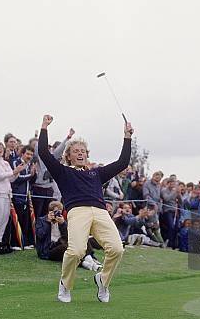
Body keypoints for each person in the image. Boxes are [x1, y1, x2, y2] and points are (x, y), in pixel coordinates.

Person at [39, 114, 132, 303]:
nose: (80, 153)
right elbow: (43, 152)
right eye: (75, 151)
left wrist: (127, 136)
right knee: (76, 251)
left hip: (100, 212)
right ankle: (65, 285)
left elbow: (122, 163)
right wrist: (44, 127)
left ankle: (103, 281)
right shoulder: (63, 171)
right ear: (68, 156)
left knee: (117, 249)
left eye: (83, 150)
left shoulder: (96, 173)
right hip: (77, 211)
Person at [0, 142, 26, 252]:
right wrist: (13, 172)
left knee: (4, 217)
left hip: (6, 193)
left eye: (1, 148)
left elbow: (11, 179)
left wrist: (17, 172)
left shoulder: (5, 163)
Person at [32, 128, 72, 217]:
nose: (48, 148)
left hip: (49, 189)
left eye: (49, 147)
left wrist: (68, 138)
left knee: (48, 213)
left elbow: (60, 149)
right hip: (38, 188)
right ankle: (38, 230)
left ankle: (46, 230)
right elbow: (38, 147)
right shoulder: (37, 156)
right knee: (37, 213)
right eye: (47, 146)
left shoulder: (52, 157)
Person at [11, 145, 37, 249]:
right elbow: (16, 178)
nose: (29, 156)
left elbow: (31, 181)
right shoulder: (16, 162)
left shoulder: (30, 164)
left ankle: (25, 243)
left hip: (26, 196)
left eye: (31, 154)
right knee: (17, 220)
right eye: (27, 154)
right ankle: (15, 243)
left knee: (26, 221)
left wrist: (34, 174)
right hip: (17, 195)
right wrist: (30, 175)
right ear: (22, 154)